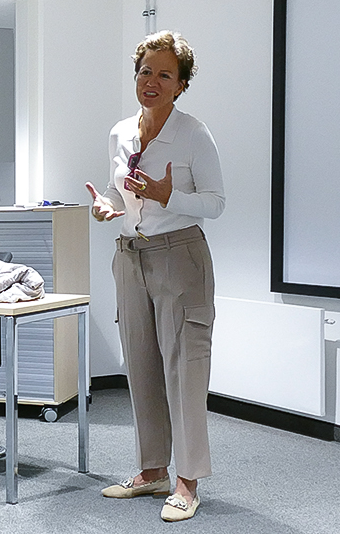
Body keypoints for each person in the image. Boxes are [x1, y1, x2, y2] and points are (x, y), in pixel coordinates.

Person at [85, 31, 225, 522]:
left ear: (181, 84)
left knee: (185, 370)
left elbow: (215, 203)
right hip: (131, 256)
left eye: (165, 74)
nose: (152, 81)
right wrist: (106, 206)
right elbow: (117, 192)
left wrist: (170, 196)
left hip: (179, 256)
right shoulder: (120, 132)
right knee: (141, 366)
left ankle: (188, 481)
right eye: (146, 71)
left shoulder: (193, 133)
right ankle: (153, 470)